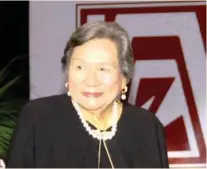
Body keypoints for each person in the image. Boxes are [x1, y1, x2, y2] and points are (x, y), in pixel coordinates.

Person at [7, 21, 169, 168]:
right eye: (80, 67)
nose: (91, 80)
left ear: (124, 78)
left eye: (103, 69)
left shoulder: (146, 126)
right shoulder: (39, 118)